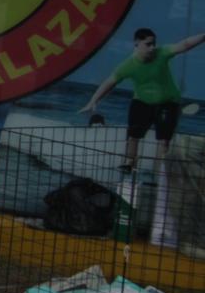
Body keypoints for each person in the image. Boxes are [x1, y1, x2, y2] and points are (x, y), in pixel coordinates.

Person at [81, 28, 204, 180]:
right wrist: (93, 101)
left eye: (154, 44)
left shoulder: (162, 53)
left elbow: (184, 44)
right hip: (142, 102)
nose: (152, 47)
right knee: (133, 137)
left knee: (163, 141)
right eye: (148, 44)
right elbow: (109, 82)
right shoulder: (128, 65)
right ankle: (129, 164)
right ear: (137, 44)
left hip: (168, 103)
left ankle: (159, 176)